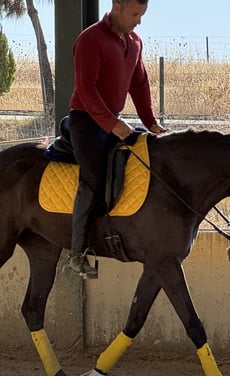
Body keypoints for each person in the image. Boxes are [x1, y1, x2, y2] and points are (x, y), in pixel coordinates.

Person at [68, 0, 166, 278]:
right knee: (94, 180)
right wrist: (112, 124)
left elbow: (139, 83)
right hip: (86, 121)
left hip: (114, 121)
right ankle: (77, 253)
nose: (139, 21)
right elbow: (85, 90)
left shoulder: (134, 41)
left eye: (142, 15)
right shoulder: (89, 40)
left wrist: (151, 123)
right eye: (135, 14)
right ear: (117, 5)